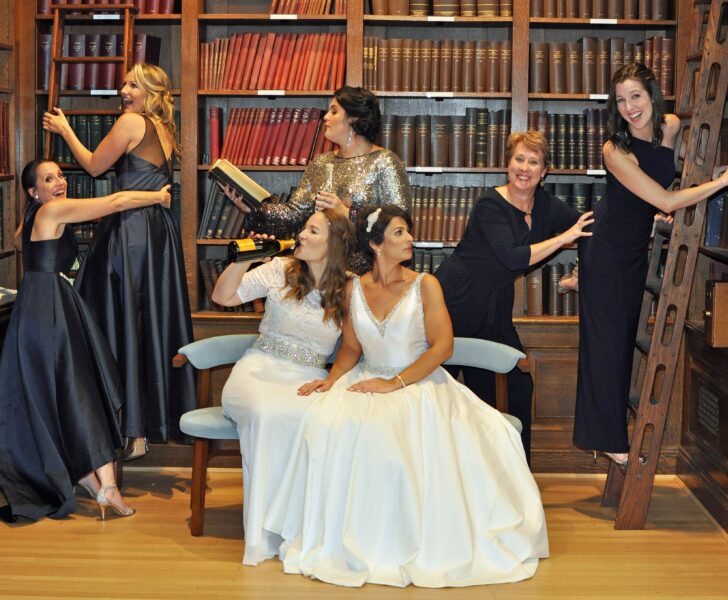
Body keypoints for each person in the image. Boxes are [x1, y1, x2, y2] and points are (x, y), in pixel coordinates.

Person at [261, 205, 549, 588]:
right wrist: (331, 381)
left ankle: (402, 542)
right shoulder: (353, 288)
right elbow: (350, 348)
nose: (410, 239)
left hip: (419, 383)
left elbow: (442, 347)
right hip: (365, 379)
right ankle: (344, 538)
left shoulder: (425, 285)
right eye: (399, 233)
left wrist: (395, 383)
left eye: (407, 232)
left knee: (393, 439)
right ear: (376, 244)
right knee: (323, 422)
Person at [573, 63, 728, 468]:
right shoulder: (615, 149)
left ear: (651, 94)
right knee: (608, 348)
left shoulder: (668, 125)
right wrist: (720, 184)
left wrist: (707, 176)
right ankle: (610, 439)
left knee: (622, 343)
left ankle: (609, 435)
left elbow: (674, 177)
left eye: (636, 96)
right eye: (620, 100)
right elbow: (665, 200)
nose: (630, 107)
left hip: (634, 250)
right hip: (607, 250)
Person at [0, 160, 169, 521]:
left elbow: (18, 242)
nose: (59, 182)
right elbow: (115, 202)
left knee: (57, 397)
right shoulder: (54, 210)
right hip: (51, 309)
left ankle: (95, 483)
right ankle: (106, 485)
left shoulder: (33, 217)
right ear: (34, 191)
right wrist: (156, 195)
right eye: (48, 179)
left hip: (34, 306)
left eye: (60, 175)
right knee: (83, 392)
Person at [42, 63, 195, 459]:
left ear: (150, 92)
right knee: (145, 324)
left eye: (132, 84)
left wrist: (65, 131)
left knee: (111, 321)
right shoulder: (164, 128)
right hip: (158, 230)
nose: (123, 89)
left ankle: (128, 429)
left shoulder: (131, 123)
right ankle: (140, 429)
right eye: (124, 83)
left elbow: (95, 167)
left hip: (129, 230)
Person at [434, 131, 594, 463]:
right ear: (507, 164)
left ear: (545, 171)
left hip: (495, 307)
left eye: (533, 161)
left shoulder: (546, 204)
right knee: (442, 393)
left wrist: (649, 221)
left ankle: (514, 478)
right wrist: (565, 238)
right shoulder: (490, 204)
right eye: (518, 159)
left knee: (517, 388)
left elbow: (590, 225)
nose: (524, 167)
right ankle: (443, 476)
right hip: (456, 301)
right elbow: (513, 257)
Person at [211, 209, 354, 566]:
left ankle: (299, 525)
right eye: (303, 228)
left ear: (334, 242)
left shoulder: (351, 288)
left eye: (313, 230)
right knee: (267, 412)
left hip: (306, 376)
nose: (302, 235)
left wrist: (333, 378)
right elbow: (223, 297)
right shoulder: (279, 270)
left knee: (319, 419)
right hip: (258, 369)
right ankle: (263, 531)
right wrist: (244, 259)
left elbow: (357, 344)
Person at [221, 85, 411, 274]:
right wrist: (253, 207)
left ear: (354, 119)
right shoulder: (321, 162)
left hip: (366, 274)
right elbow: (294, 213)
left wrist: (347, 214)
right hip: (318, 271)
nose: (325, 117)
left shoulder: (385, 162)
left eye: (334, 111)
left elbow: (398, 224)